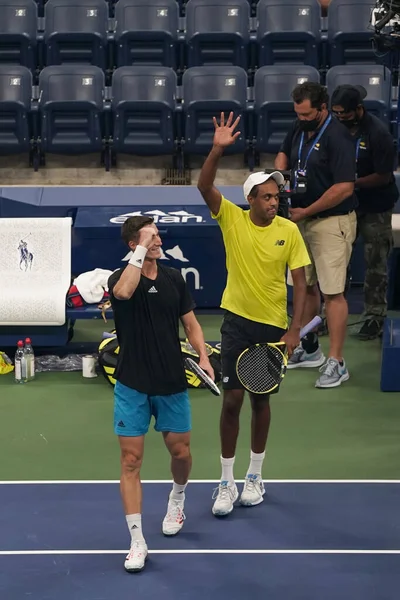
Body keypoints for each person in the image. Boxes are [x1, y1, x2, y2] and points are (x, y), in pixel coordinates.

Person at [197, 112, 310, 517]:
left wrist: (294, 330)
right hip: (237, 322)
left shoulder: (290, 231)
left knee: (260, 402)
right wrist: (217, 148)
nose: (273, 202)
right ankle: (226, 481)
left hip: (272, 327)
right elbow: (204, 185)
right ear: (250, 199)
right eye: (266, 196)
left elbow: (302, 284)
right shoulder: (231, 218)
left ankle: (255, 477)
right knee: (231, 401)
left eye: (276, 197)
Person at [108, 215, 214, 573]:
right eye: (149, 236)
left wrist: (203, 353)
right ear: (133, 245)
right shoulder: (119, 279)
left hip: (171, 381)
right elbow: (123, 293)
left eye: (156, 234)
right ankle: (137, 540)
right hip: (132, 384)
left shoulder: (173, 278)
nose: (157, 239)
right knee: (130, 462)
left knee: (180, 452)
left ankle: (177, 497)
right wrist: (140, 251)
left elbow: (191, 323)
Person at [275, 82, 357, 388]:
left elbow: (344, 187)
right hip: (300, 219)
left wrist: (305, 211)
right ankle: (309, 350)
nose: (302, 118)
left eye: (307, 114)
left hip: (329, 222)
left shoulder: (339, 137)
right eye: (298, 113)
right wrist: (281, 179)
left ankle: (337, 361)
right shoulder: (299, 126)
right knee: (304, 286)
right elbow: (283, 154)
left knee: (332, 293)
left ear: (323, 109)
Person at [331, 84, 398, 340]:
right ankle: (331, 315)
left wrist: (350, 183)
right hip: (345, 205)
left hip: (375, 207)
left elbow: (383, 176)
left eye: (344, 113)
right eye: (336, 113)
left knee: (376, 262)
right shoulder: (335, 129)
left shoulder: (378, 133)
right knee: (337, 262)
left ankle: (374, 317)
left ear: (358, 109)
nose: (340, 117)